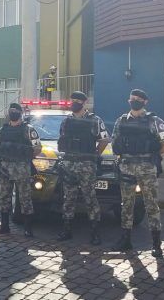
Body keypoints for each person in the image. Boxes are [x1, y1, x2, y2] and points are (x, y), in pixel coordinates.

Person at [112, 89, 164, 258]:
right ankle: (126, 240)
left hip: (147, 167)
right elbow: (115, 143)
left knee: (151, 205)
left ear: (145, 102)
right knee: (126, 205)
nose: (135, 101)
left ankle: (156, 244)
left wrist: (154, 155)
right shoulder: (121, 121)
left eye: (138, 99)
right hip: (127, 167)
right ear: (128, 100)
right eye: (132, 99)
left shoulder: (154, 121)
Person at [56, 91, 109, 245]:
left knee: (90, 198)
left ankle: (95, 232)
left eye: (77, 101)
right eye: (72, 100)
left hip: (86, 164)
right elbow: (62, 140)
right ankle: (67, 230)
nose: (74, 103)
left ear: (84, 103)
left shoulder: (95, 120)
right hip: (69, 164)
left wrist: (94, 155)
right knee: (68, 198)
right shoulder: (66, 121)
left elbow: (104, 139)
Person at [0, 103, 42, 237]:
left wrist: (26, 156)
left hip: (22, 168)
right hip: (5, 169)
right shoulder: (3, 130)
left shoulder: (28, 129)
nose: (12, 112)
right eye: (11, 110)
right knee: (4, 197)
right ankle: (4, 226)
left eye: (15, 110)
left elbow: (38, 148)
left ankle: (28, 228)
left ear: (20, 113)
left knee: (25, 198)